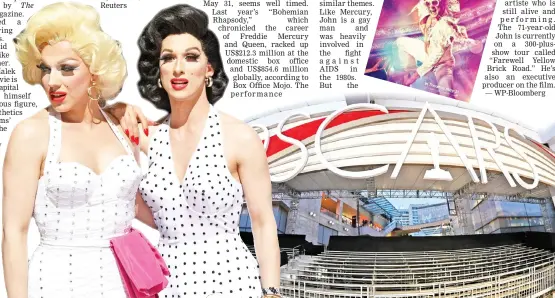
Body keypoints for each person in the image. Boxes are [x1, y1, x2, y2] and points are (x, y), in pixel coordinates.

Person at [127, 4, 281, 298]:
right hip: (166, 284)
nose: (178, 68)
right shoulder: (146, 138)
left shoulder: (240, 137)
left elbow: (262, 222)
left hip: (231, 282)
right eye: (168, 58)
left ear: (208, 69)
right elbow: (134, 207)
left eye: (191, 57)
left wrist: (271, 291)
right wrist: (119, 109)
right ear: (159, 71)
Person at [3, 2, 143, 297]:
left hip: (126, 283)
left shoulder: (122, 124)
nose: (52, 81)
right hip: (57, 283)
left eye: (67, 69)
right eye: (45, 69)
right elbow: (13, 234)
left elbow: (143, 205)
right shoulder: (32, 133)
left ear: (95, 71)